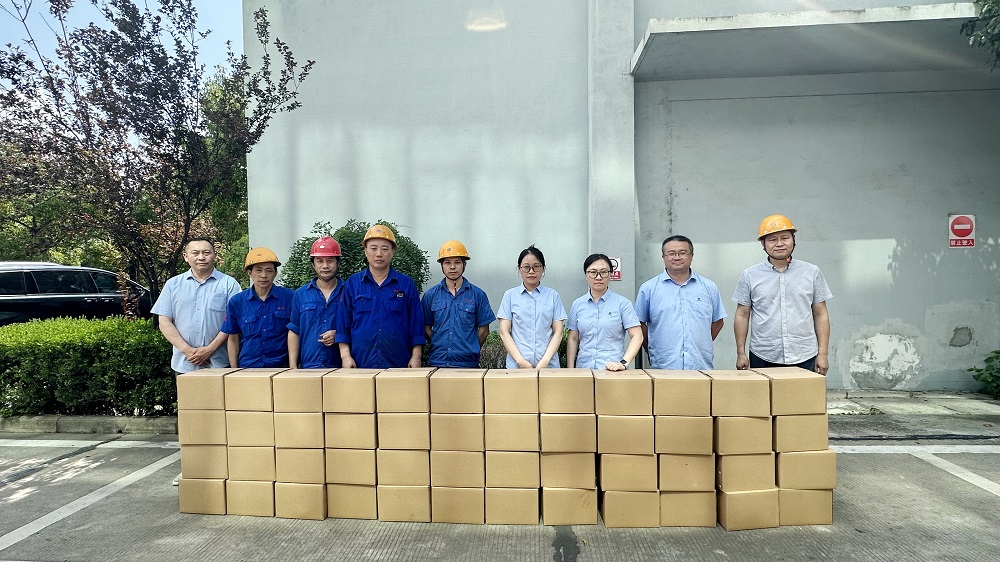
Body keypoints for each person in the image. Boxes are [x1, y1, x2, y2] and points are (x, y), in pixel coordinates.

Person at [733, 214, 832, 375]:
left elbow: (820, 314)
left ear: (793, 240)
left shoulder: (812, 272)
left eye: (785, 238)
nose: (779, 244)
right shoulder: (750, 275)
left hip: (804, 355)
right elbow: (742, 315)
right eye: (772, 240)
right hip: (763, 354)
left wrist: (823, 354)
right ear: (763, 244)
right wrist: (740, 353)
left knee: (803, 393)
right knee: (763, 393)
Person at [336, 225, 425, 368]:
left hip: (398, 364)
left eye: (384, 249)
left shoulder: (406, 284)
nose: (379, 254)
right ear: (365, 251)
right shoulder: (352, 284)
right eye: (373, 248)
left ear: (392, 252)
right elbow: (342, 324)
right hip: (360, 364)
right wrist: (345, 357)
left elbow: (416, 325)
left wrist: (416, 356)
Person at [635, 235, 727, 370]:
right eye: (671, 253)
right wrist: (653, 349)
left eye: (682, 253)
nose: (677, 257)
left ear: (692, 256)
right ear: (663, 257)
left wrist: (698, 343)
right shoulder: (648, 289)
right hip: (663, 366)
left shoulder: (709, 287)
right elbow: (639, 324)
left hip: (700, 365)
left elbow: (718, 322)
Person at [152, 237, 241, 374]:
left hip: (220, 362)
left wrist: (210, 350)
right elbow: (164, 322)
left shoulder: (229, 284)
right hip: (184, 363)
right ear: (186, 256)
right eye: (195, 253)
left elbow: (233, 322)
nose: (201, 257)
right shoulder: (173, 285)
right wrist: (188, 351)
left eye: (206, 253)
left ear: (214, 256)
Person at [421, 240, 496, 368]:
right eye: (447, 263)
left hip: (468, 365)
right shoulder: (430, 295)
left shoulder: (478, 295)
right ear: (442, 265)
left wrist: (470, 347)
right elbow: (425, 328)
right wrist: (438, 342)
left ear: (464, 265)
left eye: (457, 262)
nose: (452, 267)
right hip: (437, 362)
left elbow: (484, 330)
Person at [566, 253, 643, 371]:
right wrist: (570, 370)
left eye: (603, 272)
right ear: (586, 275)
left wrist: (623, 363)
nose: (598, 277)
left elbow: (637, 336)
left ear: (610, 274)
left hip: (612, 371)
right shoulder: (577, 304)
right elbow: (573, 338)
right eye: (593, 272)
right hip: (584, 370)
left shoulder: (622, 303)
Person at [222, 247, 294, 368]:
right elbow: (233, 338)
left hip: (281, 367)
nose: (263, 275)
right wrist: (234, 370)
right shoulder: (237, 302)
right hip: (248, 367)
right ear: (249, 273)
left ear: (275, 273)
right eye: (258, 270)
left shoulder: (290, 297)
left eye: (269, 271)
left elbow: (296, 333)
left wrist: (293, 367)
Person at [497, 245, 567, 369]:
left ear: (543, 268)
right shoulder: (510, 296)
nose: (531, 271)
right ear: (519, 269)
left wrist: (545, 361)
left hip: (548, 366)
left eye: (536, 266)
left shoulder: (553, 296)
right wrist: (520, 361)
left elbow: (558, 332)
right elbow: (504, 332)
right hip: (517, 367)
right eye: (526, 267)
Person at [287, 236, 344, 369]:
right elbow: (294, 330)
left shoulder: (349, 292)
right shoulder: (300, 294)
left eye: (330, 260)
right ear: (313, 264)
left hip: (342, 368)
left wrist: (339, 335)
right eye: (319, 261)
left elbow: (357, 328)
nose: (325, 266)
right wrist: (293, 367)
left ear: (338, 263)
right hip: (309, 367)